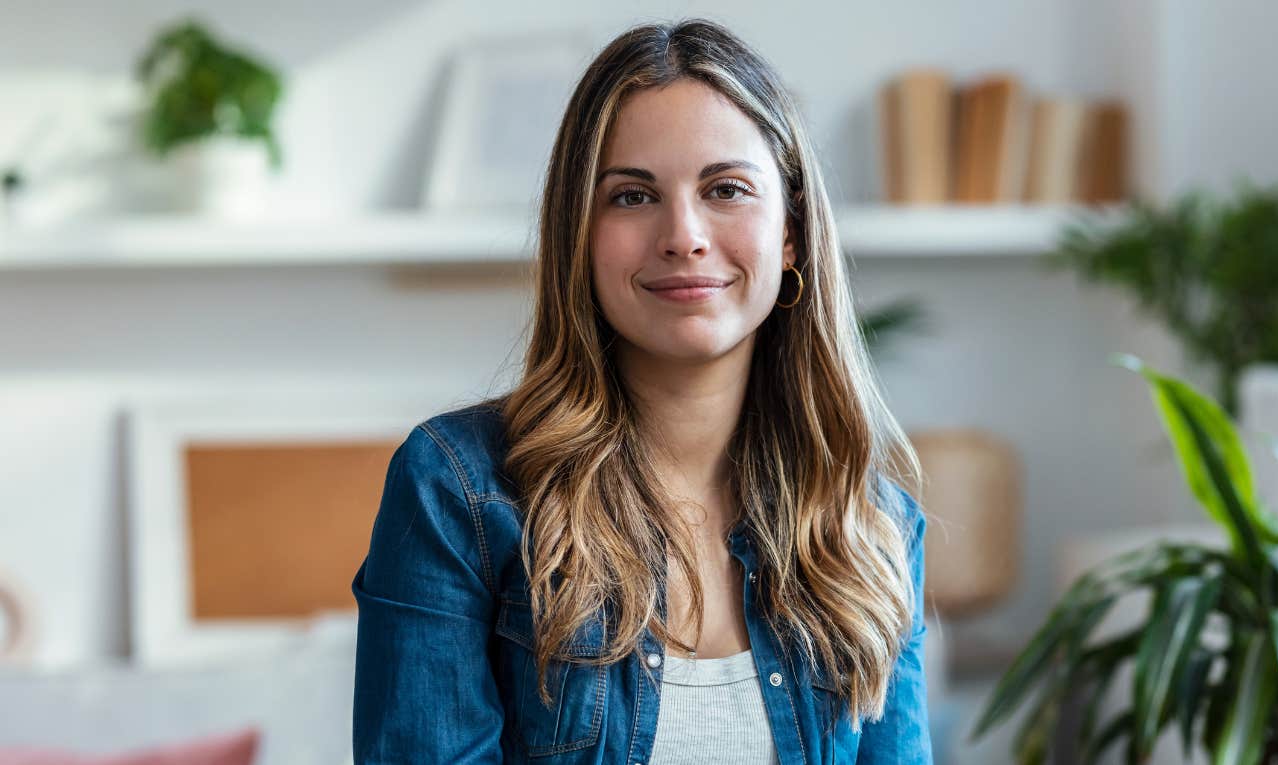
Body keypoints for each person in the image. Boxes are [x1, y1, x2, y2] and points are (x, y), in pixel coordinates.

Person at [351, 17, 931, 764]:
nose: (683, 234)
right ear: (580, 236)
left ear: (790, 234)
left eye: (725, 188)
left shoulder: (871, 528)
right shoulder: (457, 490)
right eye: (631, 196)